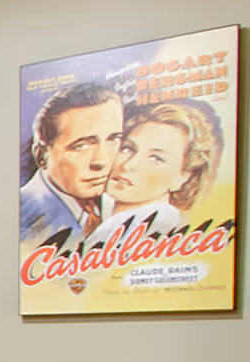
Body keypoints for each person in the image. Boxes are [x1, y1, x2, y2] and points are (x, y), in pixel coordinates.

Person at [88, 100, 223, 244]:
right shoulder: (105, 218)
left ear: (183, 177)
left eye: (156, 159)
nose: (128, 165)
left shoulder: (148, 227)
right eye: (127, 148)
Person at [19, 83, 123, 247]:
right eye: (81, 146)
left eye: (114, 139)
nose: (101, 161)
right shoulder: (21, 219)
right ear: (41, 157)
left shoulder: (127, 201)